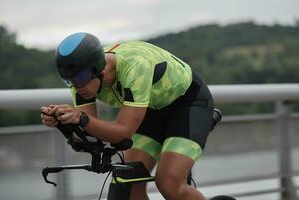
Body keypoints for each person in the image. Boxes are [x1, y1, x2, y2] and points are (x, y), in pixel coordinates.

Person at [41, 32, 214, 200]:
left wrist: (80, 118)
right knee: (128, 182)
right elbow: (90, 133)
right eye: (69, 81)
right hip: (151, 110)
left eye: (80, 78)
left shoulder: (135, 66)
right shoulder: (80, 81)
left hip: (187, 104)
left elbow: (122, 133)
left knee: (169, 182)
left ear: (98, 68)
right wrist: (63, 123)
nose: (77, 86)